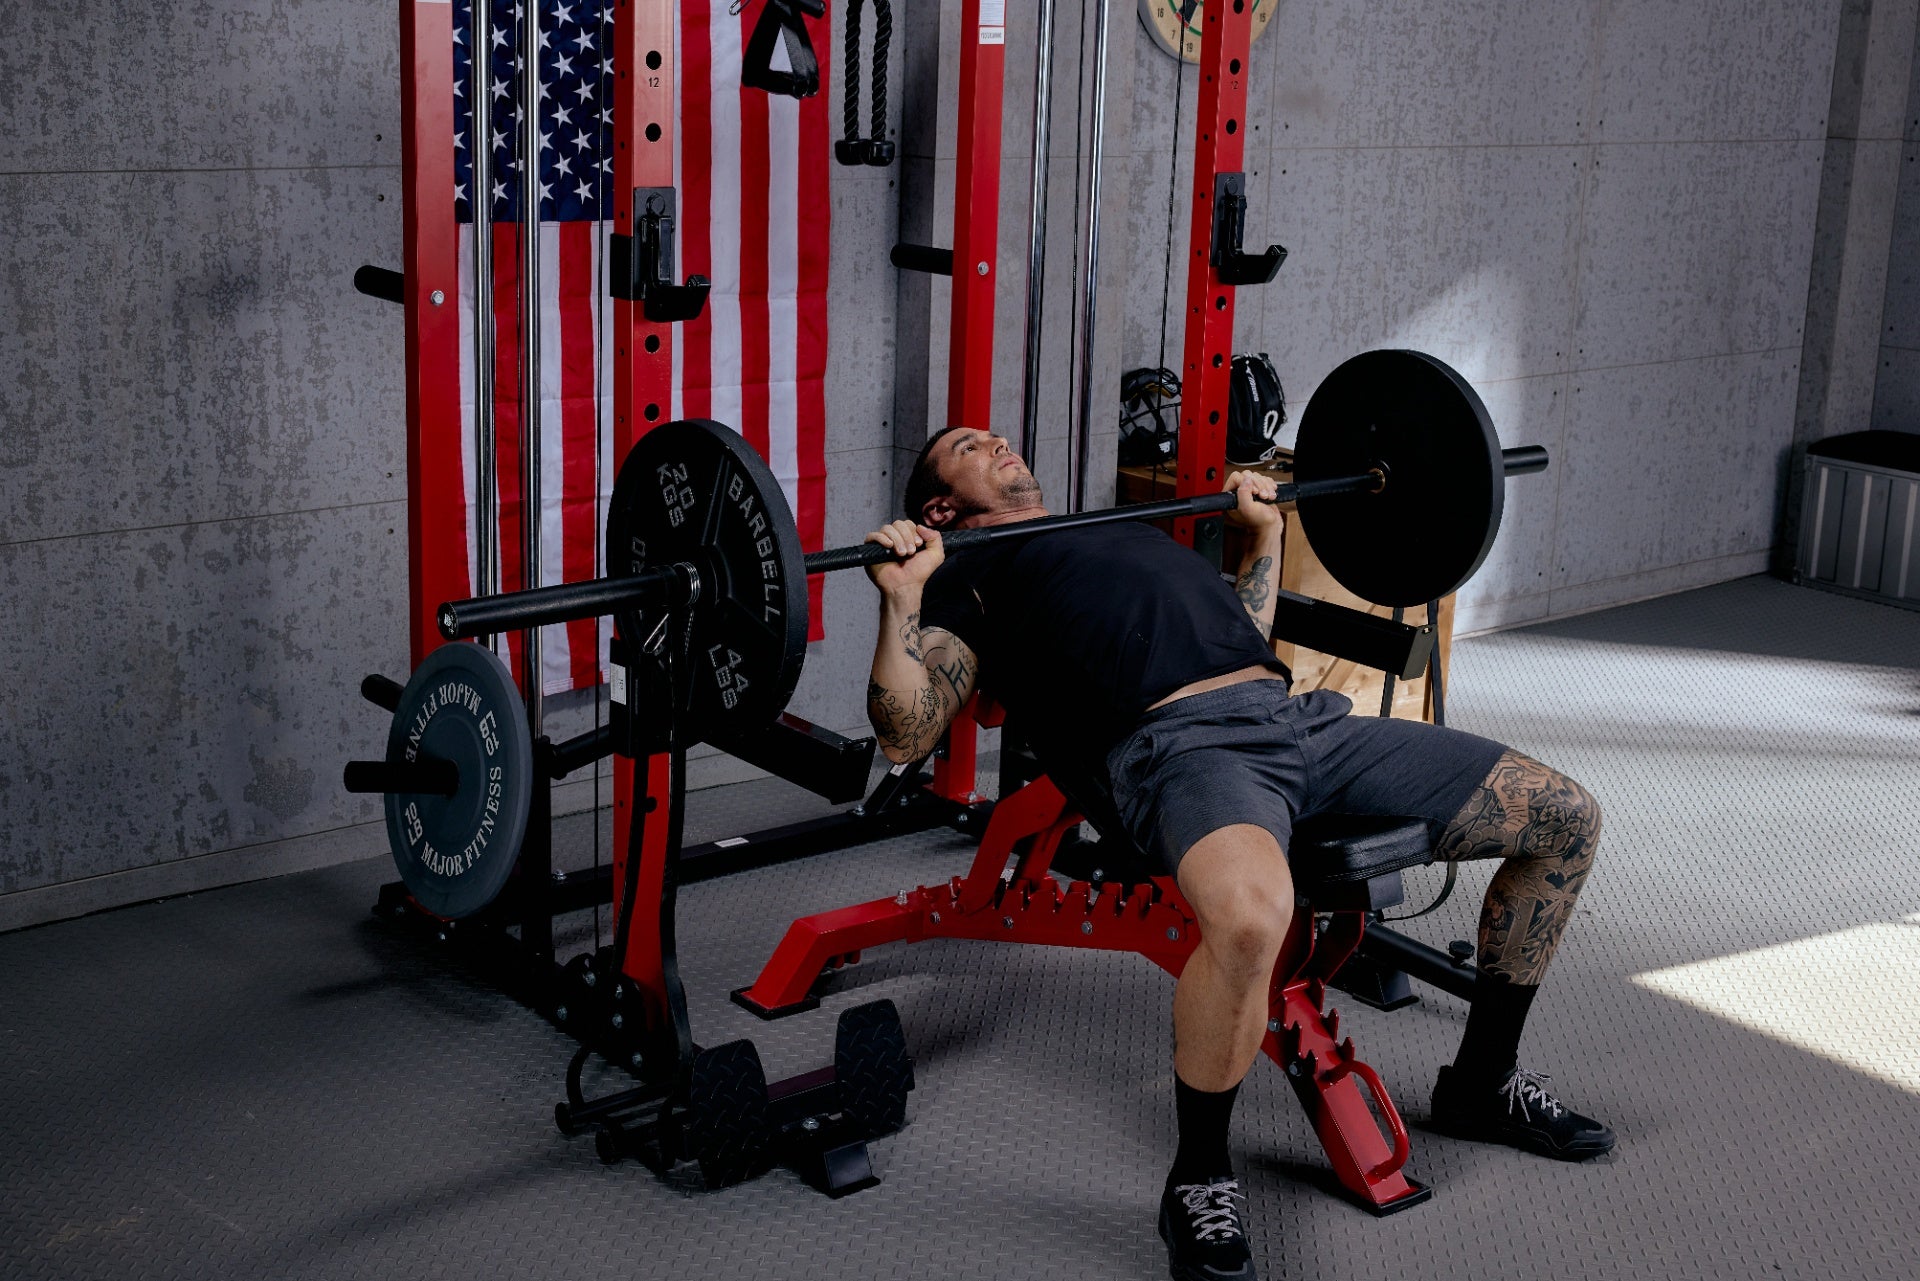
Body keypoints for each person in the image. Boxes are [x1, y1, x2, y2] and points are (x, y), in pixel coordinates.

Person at [863, 426, 1615, 1281]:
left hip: (1298, 724)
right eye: (968, 443)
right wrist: (902, 598)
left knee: (1564, 816)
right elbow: (907, 728)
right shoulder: (971, 574)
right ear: (939, 505)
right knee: (1253, 922)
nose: (996, 438)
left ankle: (1482, 1080)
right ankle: (1199, 1176)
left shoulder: (1117, 529)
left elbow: (1244, 631)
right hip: (1182, 752)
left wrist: (1265, 536)